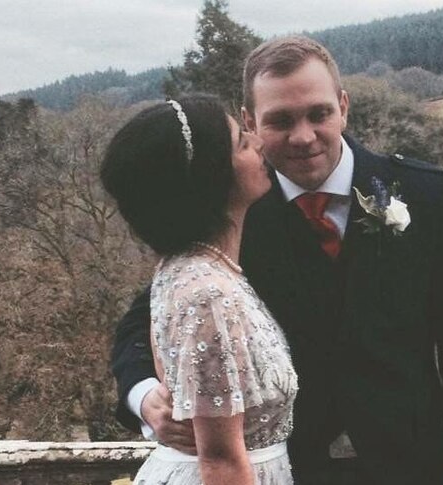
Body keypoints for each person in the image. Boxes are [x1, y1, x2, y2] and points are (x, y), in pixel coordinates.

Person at [112, 36, 443, 485]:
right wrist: (145, 395)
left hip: (409, 467)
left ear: (343, 106)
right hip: (289, 468)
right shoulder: (232, 213)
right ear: (250, 123)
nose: (303, 137)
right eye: (281, 120)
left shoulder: (427, 197)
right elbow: (146, 322)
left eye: (319, 114)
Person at [101, 94, 298, 485]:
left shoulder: (189, 268)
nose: (258, 142)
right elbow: (221, 461)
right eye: (242, 141)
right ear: (214, 177)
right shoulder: (207, 293)